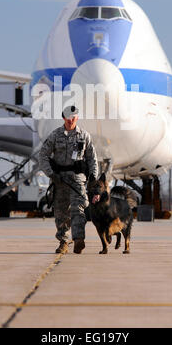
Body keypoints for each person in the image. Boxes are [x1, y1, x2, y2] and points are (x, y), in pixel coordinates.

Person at [39, 106, 98, 254]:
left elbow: (92, 159)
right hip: (59, 180)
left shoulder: (84, 136)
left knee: (78, 210)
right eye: (68, 118)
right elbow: (43, 155)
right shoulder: (55, 135)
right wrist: (51, 173)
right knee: (61, 213)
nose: (71, 120)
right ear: (63, 118)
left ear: (77, 118)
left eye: (73, 118)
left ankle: (78, 239)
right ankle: (64, 242)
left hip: (78, 180)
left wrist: (93, 178)